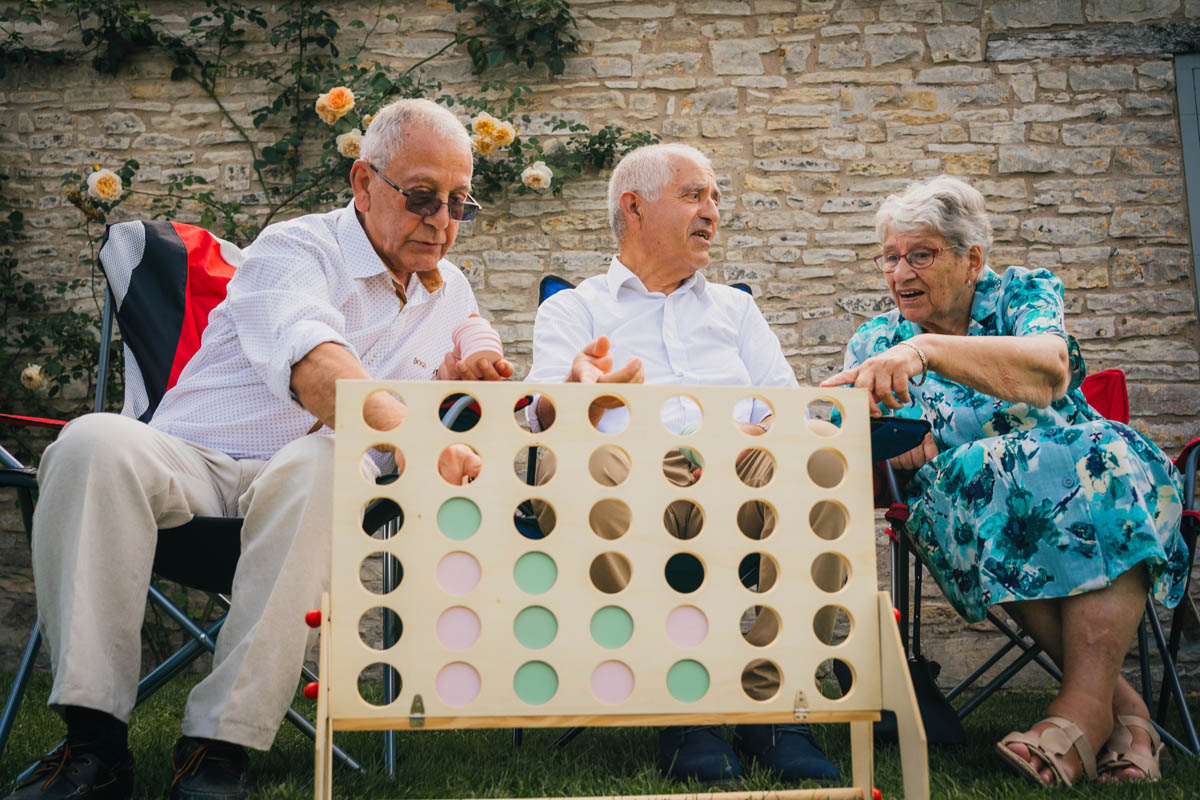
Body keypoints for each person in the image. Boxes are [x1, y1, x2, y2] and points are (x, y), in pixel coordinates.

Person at [8, 98, 513, 800]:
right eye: (423, 195)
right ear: (364, 185)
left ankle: (217, 750)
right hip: (193, 468)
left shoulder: (447, 289)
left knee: (331, 462)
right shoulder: (297, 249)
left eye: (461, 203)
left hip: (304, 499)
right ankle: (93, 745)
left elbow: (465, 366)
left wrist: (464, 388)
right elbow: (318, 373)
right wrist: (423, 443)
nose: (442, 219)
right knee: (91, 439)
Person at [822, 175, 1189, 788]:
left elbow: (1049, 371)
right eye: (890, 257)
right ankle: (1126, 718)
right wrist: (883, 438)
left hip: (1090, 487)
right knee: (978, 477)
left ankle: (1082, 716)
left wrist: (927, 354)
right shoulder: (875, 341)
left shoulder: (1021, 294)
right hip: (972, 509)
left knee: (1100, 460)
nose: (900, 272)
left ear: (972, 260)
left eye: (921, 254)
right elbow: (874, 441)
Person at [525, 143, 843, 785]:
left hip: (742, 463)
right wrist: (582, 390)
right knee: (595, 457)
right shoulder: (574, 308)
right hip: (631, 469)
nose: (712, 211)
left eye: (716, 198)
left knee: (819, 446)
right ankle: (685, 697)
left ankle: (774, 699)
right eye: (695, 195)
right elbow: (537, 415)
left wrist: (751, 431)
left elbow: (787, 403)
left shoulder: (736, 310)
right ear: (634, 207)